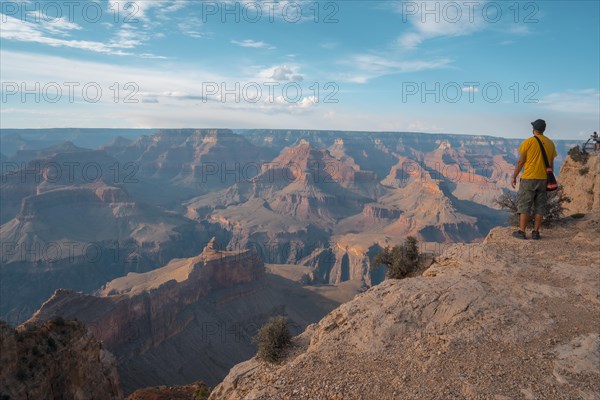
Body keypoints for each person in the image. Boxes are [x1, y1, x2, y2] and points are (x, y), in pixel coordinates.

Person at [511, 119, 557, 240]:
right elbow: (551, 164)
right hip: (543, 178)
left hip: (529, 178)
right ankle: (536, 232)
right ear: (544, 130)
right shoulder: (551, 143)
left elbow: (521, 161)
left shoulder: (529, 142)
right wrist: (549, 177)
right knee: (540, 206)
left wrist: (514, 176)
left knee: (525, 205)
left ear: (534, 130)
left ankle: (521, 232)